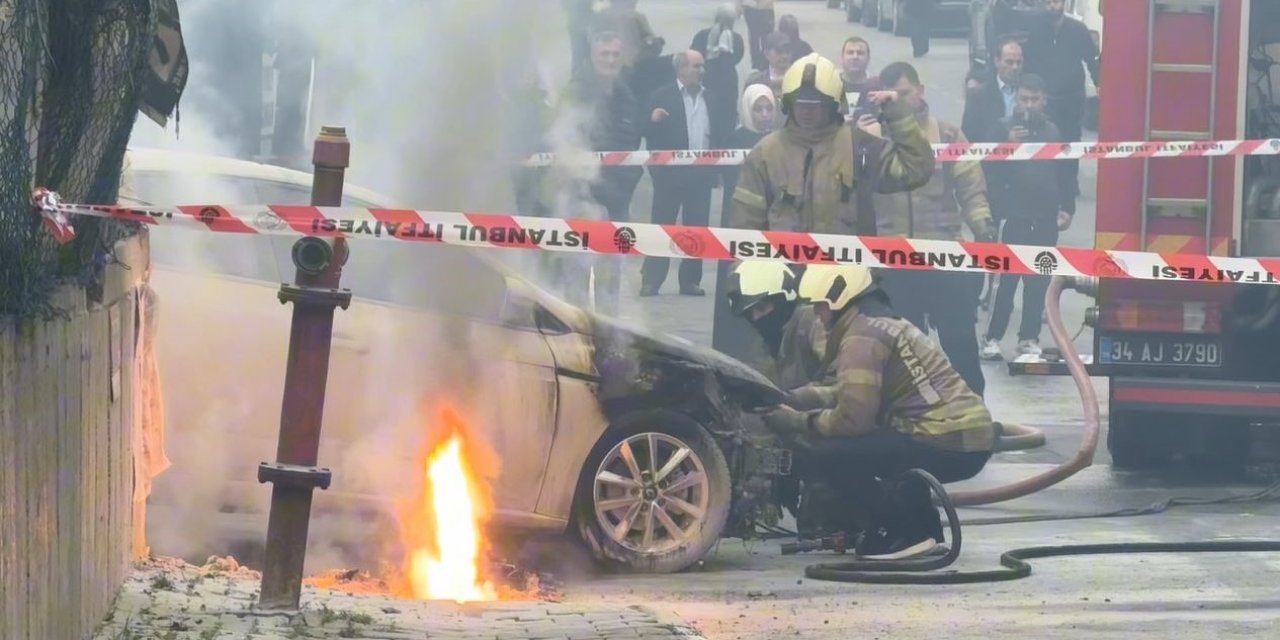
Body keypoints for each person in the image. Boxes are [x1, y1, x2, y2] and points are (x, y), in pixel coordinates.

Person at [763, 264, 996, 559]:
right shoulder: (878, 323)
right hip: (961, 436)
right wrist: (792, 398)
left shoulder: (862, 337)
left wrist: (796, 421)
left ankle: (899, 531)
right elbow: (852, 391)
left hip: (946, 439)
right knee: (891, 445)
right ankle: (924, 532)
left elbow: (852, 420)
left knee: (825, 453)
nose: (817, 315)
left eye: (820, 306)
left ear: (838, 300)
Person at [863, 62, 996, 397]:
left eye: (904, 93)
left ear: (920, 90)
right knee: (902, 350)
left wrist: (983, 229)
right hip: (892, 263)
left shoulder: (947, 135)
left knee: (960, 340)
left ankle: (974, 409)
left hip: (943, 258)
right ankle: (911, 417)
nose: (899, 101)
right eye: (891, 96)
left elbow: (970, 186)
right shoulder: (872, 139)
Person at [732, 53, 935, 238]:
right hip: (783, 273)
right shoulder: (766, 153)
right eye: (800, 103)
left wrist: (897, 113)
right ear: (788, 104)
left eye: (816, 104)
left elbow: (915, 170)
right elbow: (746, 222)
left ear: (832, 105)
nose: (807, 111)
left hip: (849, 274)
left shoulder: (858, 146)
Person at [979, 74, 1075, 359]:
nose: (1029, 106)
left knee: (1038, 282)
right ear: (1016, 100)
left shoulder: (1054, 132)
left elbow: (1066, 174)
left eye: (1035, 100)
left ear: (1044, 101)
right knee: (1004, 284)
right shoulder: (1000, 129)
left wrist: (1067, 208)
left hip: (1045, 219)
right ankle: (991, 337)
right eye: (1024, 99)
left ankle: (1029, 338)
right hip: (1013, 217)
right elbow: (986, 169)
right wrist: (1005, 147)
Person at [556, 30, 644, 315]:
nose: (610, 60)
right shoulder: (577, 92)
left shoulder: (627, 93)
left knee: (611, 277)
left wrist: (625, 185)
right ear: (593, 56)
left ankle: (610, 335)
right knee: (577, 279)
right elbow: (566, 144)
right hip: (581, 200)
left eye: (615, 54)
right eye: (604, 54)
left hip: (617, 200)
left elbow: (631, 144)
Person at [639, 50, 730, 297]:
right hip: (669, 176)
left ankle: (690, 280)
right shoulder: (661, 97)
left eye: (702, 67)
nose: (702, 71)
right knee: (661, 227)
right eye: (696, 66)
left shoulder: (711, 98)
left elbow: (720, 132)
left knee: (696, 229)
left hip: (701, 176)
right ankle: (652, 279)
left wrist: (717, 169)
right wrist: (653, 121)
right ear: (680, 69)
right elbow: (644, 131)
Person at [711, 86, 779, 363]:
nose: (764, 115)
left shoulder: (780, 139)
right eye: (758, 109)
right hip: (738, 217)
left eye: (768, 109)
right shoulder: (734, 138)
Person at [1023, 0, 1100, 200]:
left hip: (1072, 97)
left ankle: (1070, 182)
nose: (1052, 7)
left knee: (1071, 139)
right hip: (1044, 98)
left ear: (1064, 4)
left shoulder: (1077, 29)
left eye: (1056, 2)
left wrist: (1101, 85)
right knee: (1044, 139)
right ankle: (1047, 181)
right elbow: (1027, 63)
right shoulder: (1034, 28)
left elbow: (1091, 59)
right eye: (1048, 3)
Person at [723, 261, 826, 396]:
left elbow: (838, 382)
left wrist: (793, 401)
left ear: (782, 301)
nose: (756, 318)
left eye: (761, 308)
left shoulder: (811, 323)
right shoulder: (770, 344)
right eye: (750, 314)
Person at [692, 4, 746, 132]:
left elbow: (694, 53)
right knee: (727, 111)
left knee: (707, 111)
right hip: (728, 79)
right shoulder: (736, 38)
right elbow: (738, 57)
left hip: (706, 77)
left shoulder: (702, 35)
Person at [962, 37, 1023, 143]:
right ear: (997, 61)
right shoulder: (978, 96)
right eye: (1009, 62)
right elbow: (969, 135)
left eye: (1018, 62)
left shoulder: (1030, 93)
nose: (1015, 67)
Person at [744, 31, 793, 106]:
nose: (785, 56)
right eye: (779, 51)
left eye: (788, 51)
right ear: (766, 54)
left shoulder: (802, 80)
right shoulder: (755, 82)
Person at [839, 36, 880, 121]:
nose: (855, 57)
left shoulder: (878, 87)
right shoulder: (830, 85)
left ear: (868, 58)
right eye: (850, 53)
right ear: (842, 58)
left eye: (860, 53)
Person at [737, 0, 776, 72]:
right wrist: (739, 5)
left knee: (763, 37)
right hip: (753, 7)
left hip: (762, 7)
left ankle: (762, 61)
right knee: (756, 36)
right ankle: (758, 62)